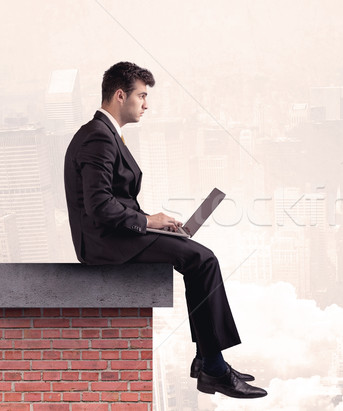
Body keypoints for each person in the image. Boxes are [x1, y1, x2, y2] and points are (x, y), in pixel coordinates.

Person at [64, 61, 267, 399]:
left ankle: (207, 359)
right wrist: (148, 222)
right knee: (202, 259)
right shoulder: (98, 138)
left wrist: (155, 221)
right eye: (141, 96)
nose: (147, 104)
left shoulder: (105, 134)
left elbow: (114, 198)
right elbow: (99, 206)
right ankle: (213, 367)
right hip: (104, 244)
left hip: (116, 235)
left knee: (195, 255)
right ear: (119, 95)